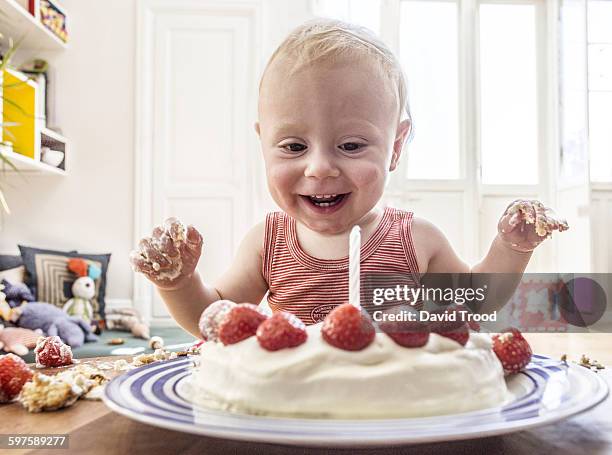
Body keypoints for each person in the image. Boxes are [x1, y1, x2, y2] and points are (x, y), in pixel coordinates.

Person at [130, 19, 568, 337]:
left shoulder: (417, 240)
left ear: (395, 147)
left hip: (397, 411)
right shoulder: (268, 241)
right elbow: (213, 318)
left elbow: (480, 299)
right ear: (263, 144)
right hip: (291, 415)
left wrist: (511, 247)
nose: (319, 167)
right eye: (294, 146)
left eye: (352, 145)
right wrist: (179, 283)